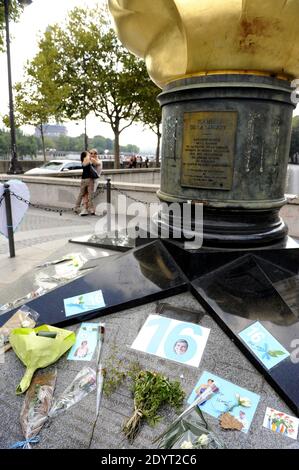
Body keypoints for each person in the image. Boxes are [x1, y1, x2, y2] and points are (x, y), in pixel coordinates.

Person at [73, 151, 98, 216]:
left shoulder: (82, 161)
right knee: (90, 195)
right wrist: (93, 157)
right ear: (86, 155)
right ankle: (91, 209)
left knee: (81, 194)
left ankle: (76, 207)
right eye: (88, 154)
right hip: (89, 179)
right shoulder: (89, 160)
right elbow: (97, 163)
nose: (89, 154)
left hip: (83, 179)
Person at [81, 148, 102, 214]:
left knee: (88, 195)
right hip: (89, 179)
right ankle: (85, 209)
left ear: (97, 154)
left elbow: (96, 163)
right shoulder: (89, 160)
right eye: (91, 153)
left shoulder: (99, 161)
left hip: (94, 180)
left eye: (94, 153)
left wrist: (89, 159)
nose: (92, 155)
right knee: (85, 194)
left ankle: (89, 209)